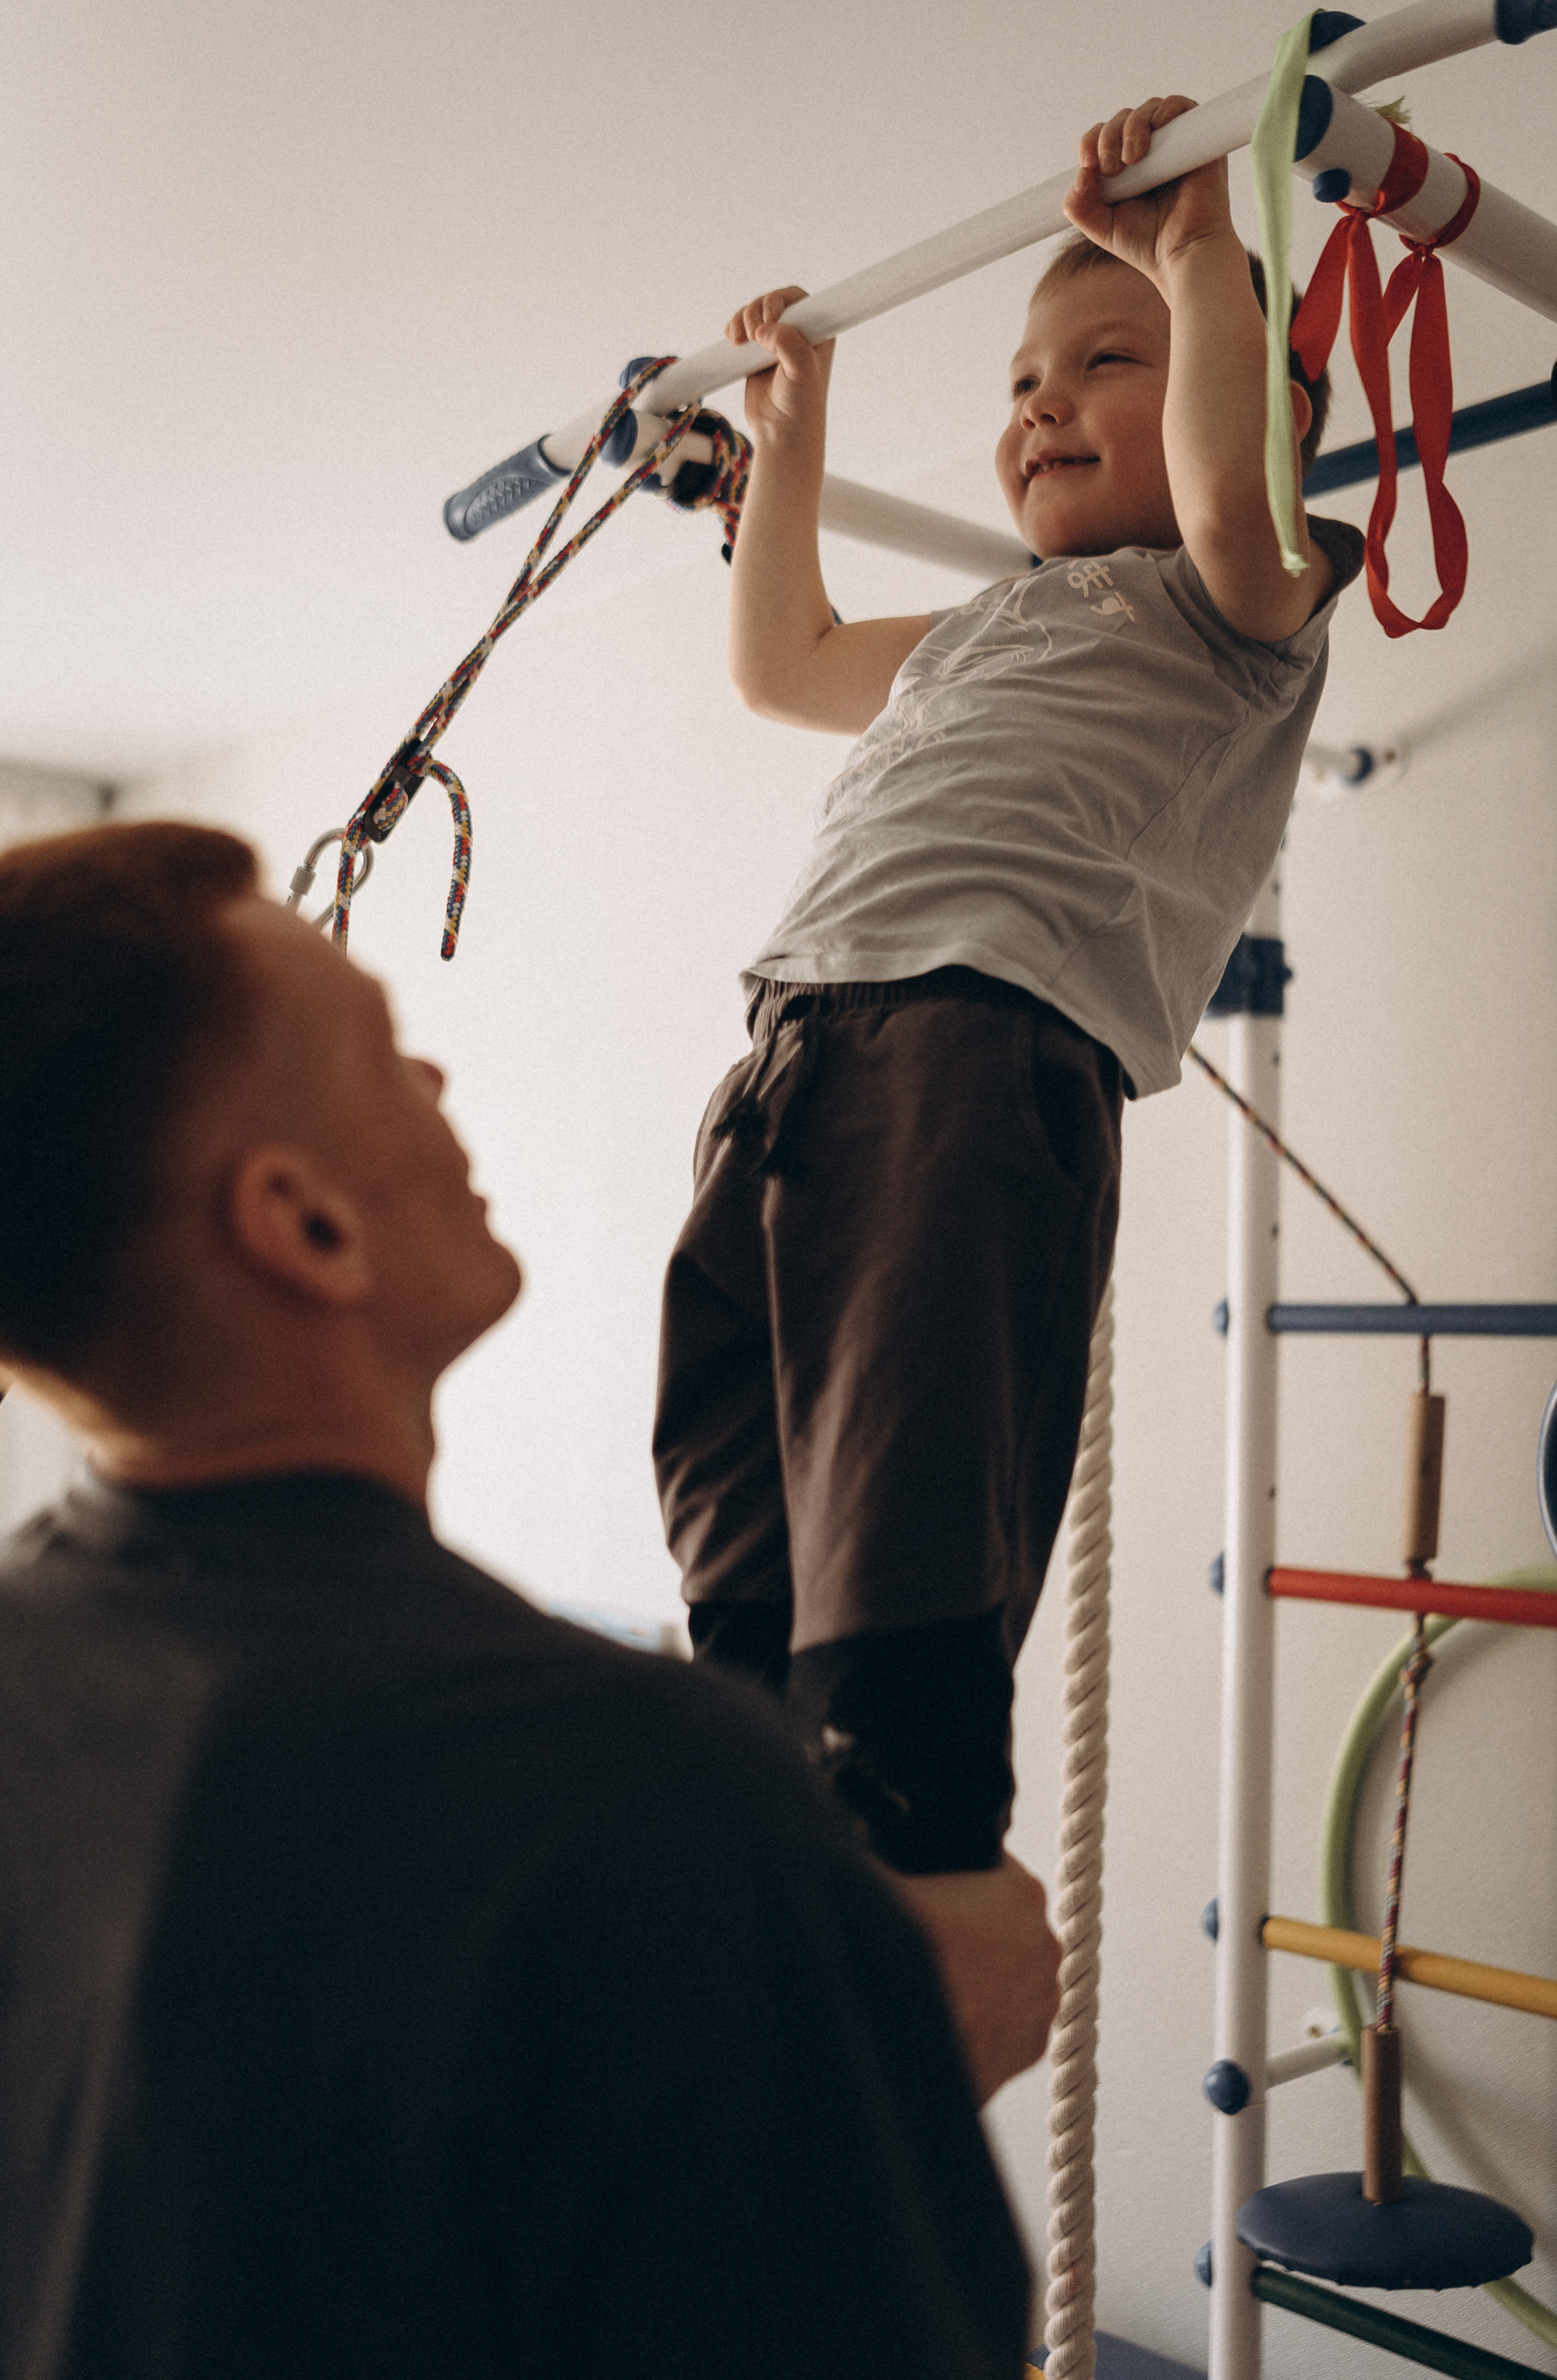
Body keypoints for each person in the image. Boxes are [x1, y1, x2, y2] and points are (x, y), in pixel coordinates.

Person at [0, 820, 1061, 2379]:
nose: (436, 1090)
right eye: (387, 1053)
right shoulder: (639, 1788)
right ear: (308, 1229)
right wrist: (875, 2064)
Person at [655, 99, 1364, 1875]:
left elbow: (1224, 479)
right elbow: (784, 663)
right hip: (792, 1048)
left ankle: (909, 1824)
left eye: (1101, 357)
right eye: (1022, 380)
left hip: (977, 1047)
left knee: (907, 1471)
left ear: (1262, 419)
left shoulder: (1237, 596)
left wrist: (1198, 255)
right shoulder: (983, 624)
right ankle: (750, 1775)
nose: (1037, 401)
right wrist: (792, 435)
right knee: (730, 1455)